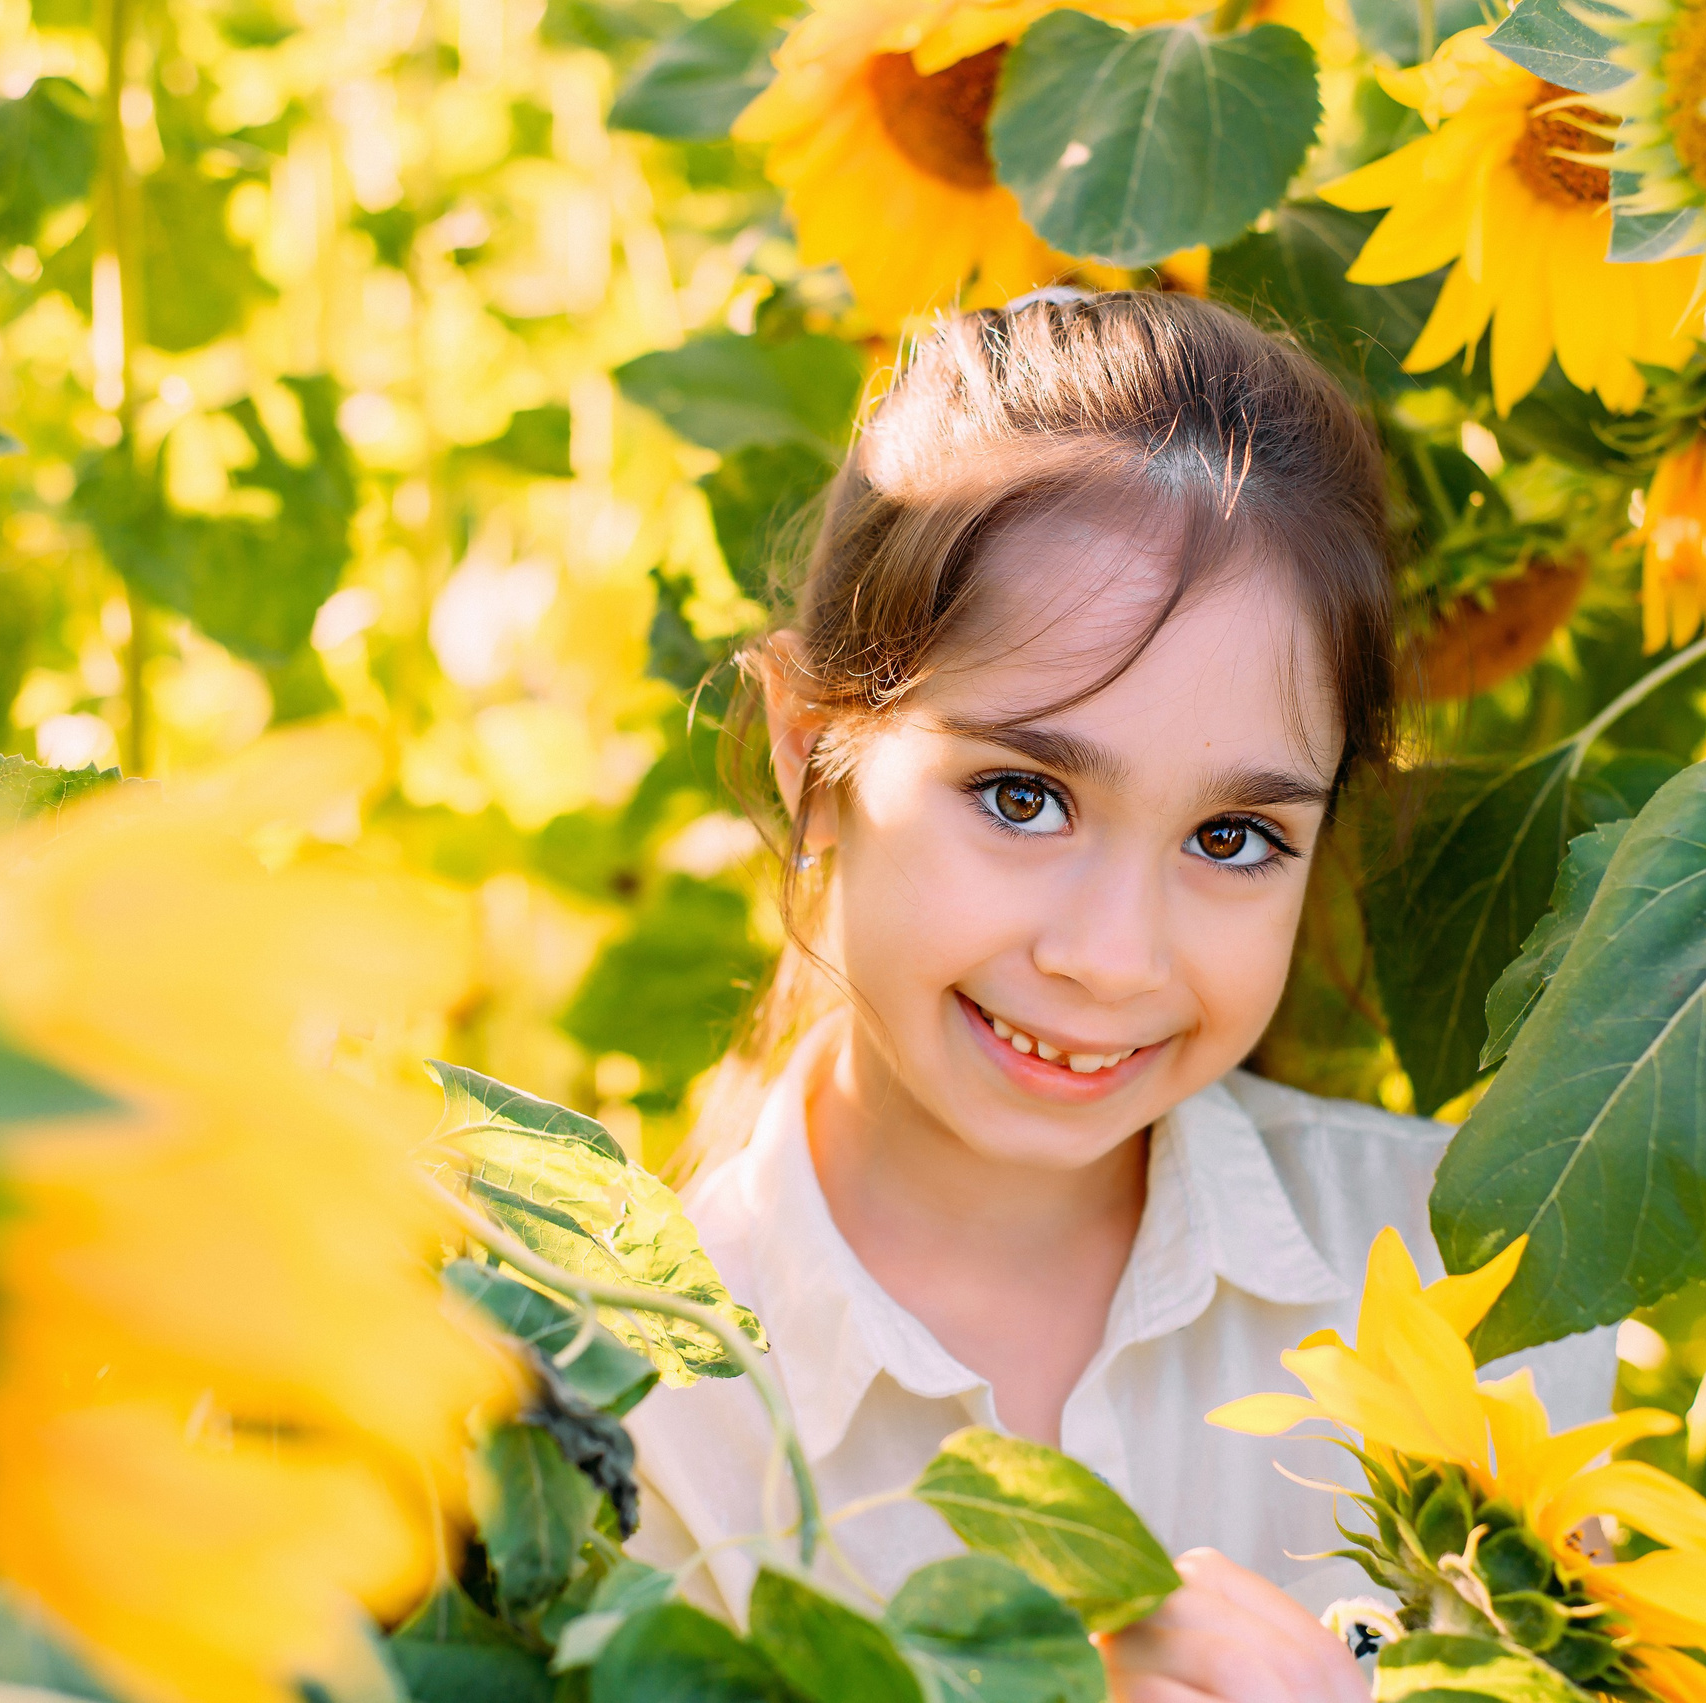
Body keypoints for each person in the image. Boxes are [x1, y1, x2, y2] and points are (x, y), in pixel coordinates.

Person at [623, 290, 1617, 1701]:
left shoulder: (1477, 1296)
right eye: (1022, 797)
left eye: (1232, 839)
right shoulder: (642, 1419)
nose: (1114, 958)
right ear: (811, 758)